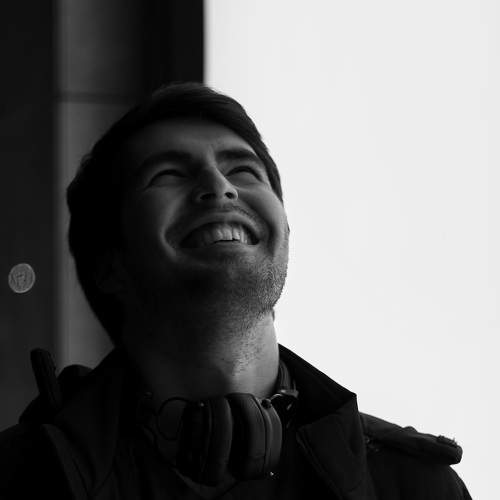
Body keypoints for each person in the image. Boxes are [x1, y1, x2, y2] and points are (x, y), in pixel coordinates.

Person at [0, 82, 471, 499]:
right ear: (109, 265)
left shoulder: (414, 485)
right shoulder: (17, 478)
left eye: (244, 171)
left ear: (284, 228)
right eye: (167, 175)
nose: (219, 186)